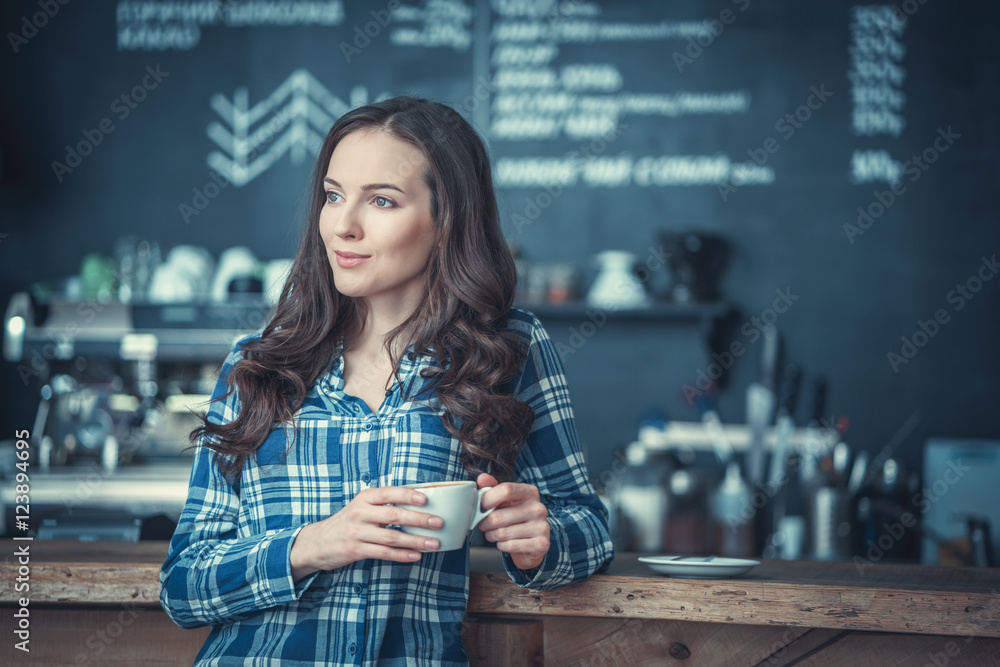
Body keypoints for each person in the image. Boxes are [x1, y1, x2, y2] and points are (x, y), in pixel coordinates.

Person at [160, 96, 614, 666]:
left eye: (381, 200)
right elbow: (181, 585)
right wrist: (312, 547)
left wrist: (544, 539)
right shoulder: (259, 364)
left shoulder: (508, 350)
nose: (343, 226)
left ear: (446, 218)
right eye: (333, 196)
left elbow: (589, 524)